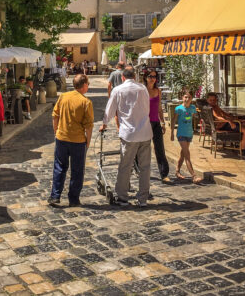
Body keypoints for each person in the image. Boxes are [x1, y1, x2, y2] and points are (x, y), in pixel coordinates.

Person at [101, 67, 152, 207]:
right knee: (145, 167)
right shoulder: (143, 88)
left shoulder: (118, 90)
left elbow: (110, 110)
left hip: (129, 133)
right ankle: (143, 199)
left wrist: (104, 124)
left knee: (125, 166)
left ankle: (123, 197)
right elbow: (147, 107)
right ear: (134, 76)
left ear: (123, 77)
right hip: (145, 132)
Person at [48, 74, 94, 207]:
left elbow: (54, 116)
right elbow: (89, 127)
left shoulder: (63, 96)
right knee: (77, 170)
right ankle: (73, 199)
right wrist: (88, 143)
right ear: (84, 85)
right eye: (88, 84)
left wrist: (56, 131)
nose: (88, 86)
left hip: (61, 138)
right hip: (78, 141)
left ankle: (55, 196)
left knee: (59, 167)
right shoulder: (86, 102)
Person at [206, 92, 245, 159]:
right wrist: (229, 121)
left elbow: (224, 114)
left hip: (224, 123)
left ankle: (241, 144)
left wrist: (236, 119)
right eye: (211, 100)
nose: (213, 101)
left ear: (216, 100)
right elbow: (218, 117)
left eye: (214, 100)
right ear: (207, 100)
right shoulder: (211, 108)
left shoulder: (215, 107)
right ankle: (242, 150)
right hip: (221, 126)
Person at [143, 69, 170, 183]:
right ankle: (139, 169)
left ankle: (164, 174)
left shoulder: (158, 90)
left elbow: (159, 107)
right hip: (144, 123)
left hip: (156, 123)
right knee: (143, 149)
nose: (153, 78)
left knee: (160, 149)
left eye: (154, 76)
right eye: (150, 76)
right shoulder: (142, 90)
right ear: (145, 77)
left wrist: (162, 122)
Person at [171, 91, 203, 183]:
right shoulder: (178, 109)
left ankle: (177, 171)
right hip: (181, 134)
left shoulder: (193, 108)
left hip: (189, 133)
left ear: (191, 99)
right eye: (185, 97)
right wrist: (172, 133)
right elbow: (173, 120)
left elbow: (193, 117)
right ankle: (194, 176)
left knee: (183, 154)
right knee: (187, 155)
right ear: (182, 98)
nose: (187, 99)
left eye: (189, 97)